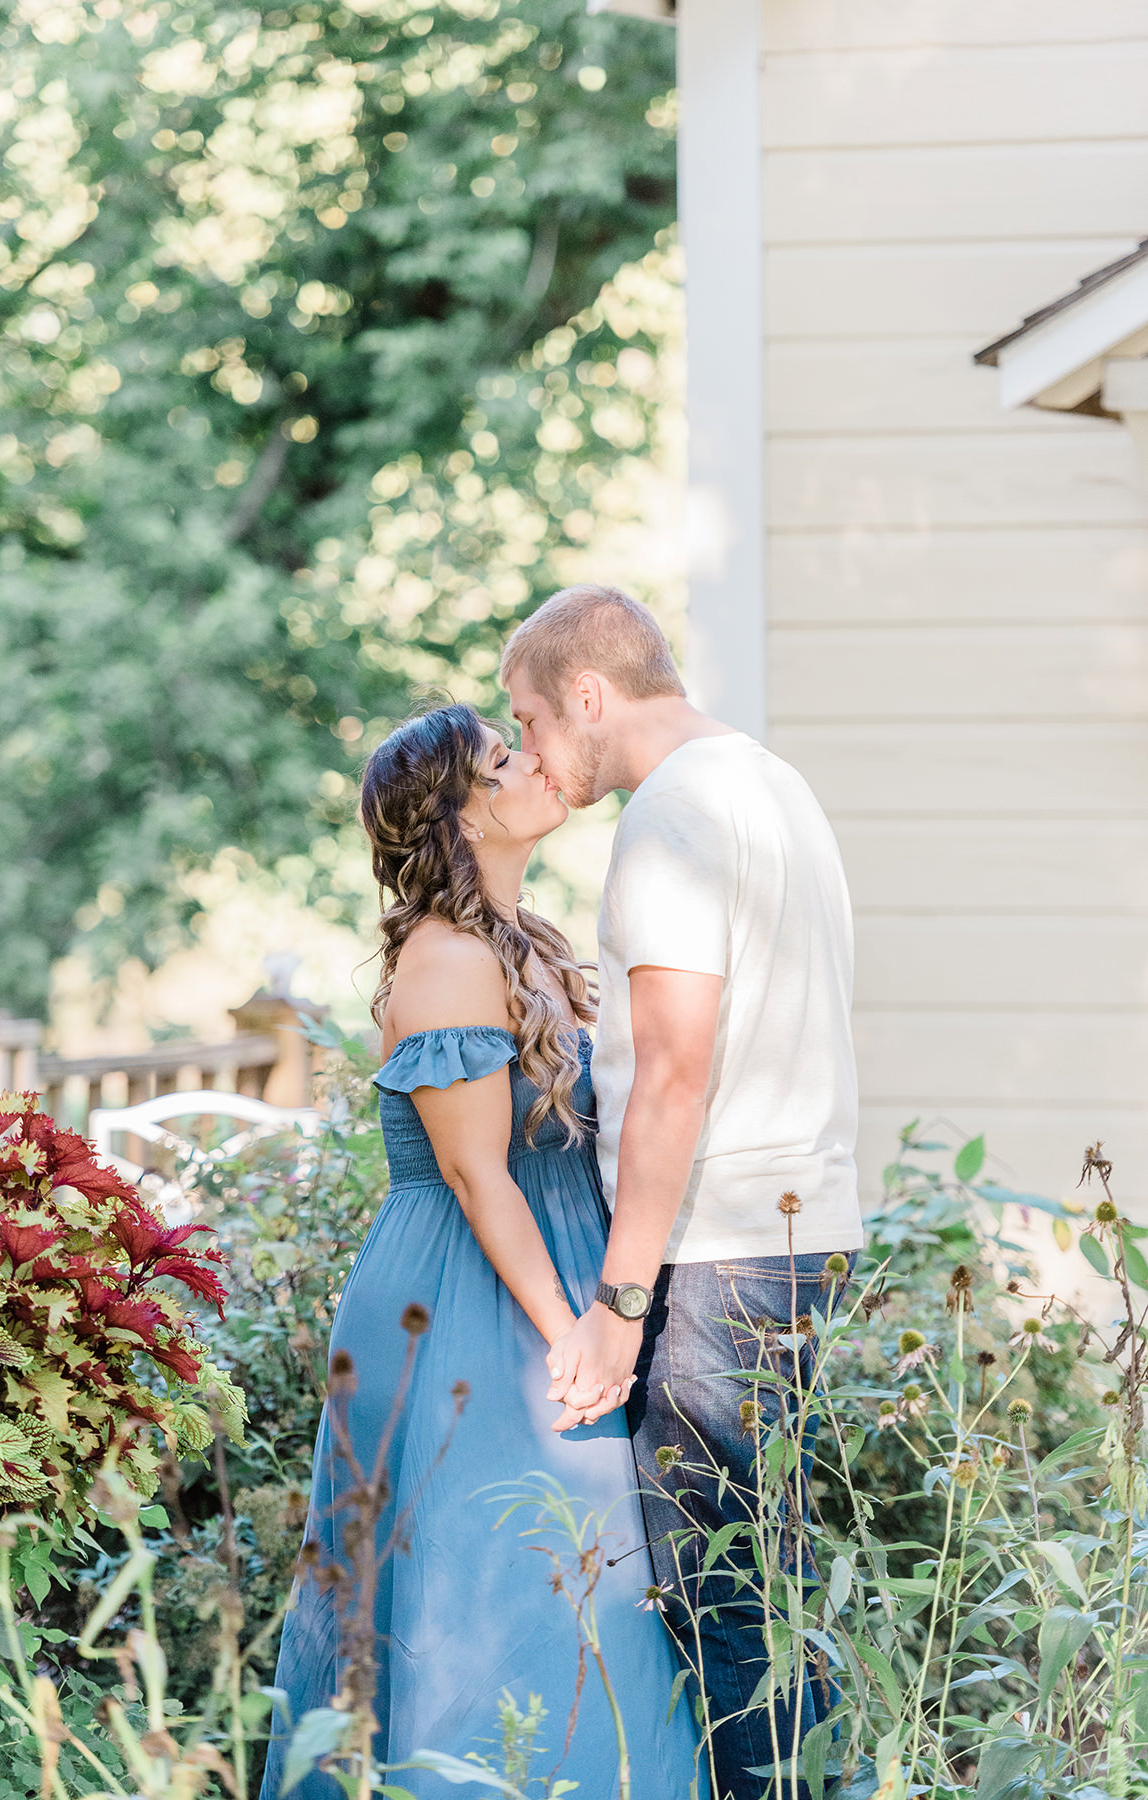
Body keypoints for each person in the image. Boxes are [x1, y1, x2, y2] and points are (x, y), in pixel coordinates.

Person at [260, 704, 706, 1800]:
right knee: (497, 1582)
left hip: (539, 1268)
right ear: (456, 819)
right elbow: (476, 1175)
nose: (530, 764)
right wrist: (574, 1335)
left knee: (573, 1574)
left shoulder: (525, 941)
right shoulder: (449, 959)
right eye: (499, 763)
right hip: (469, 1296)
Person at [500, 586, 864, 1800]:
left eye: (531, 721)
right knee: (769, 1595)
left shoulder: (667, 819)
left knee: (720, 1614)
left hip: (714, 1258)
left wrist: (617, 1297)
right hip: (801, 1235)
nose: (533, 755)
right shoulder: (772, 784)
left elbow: (672, 1074)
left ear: (588, 697)